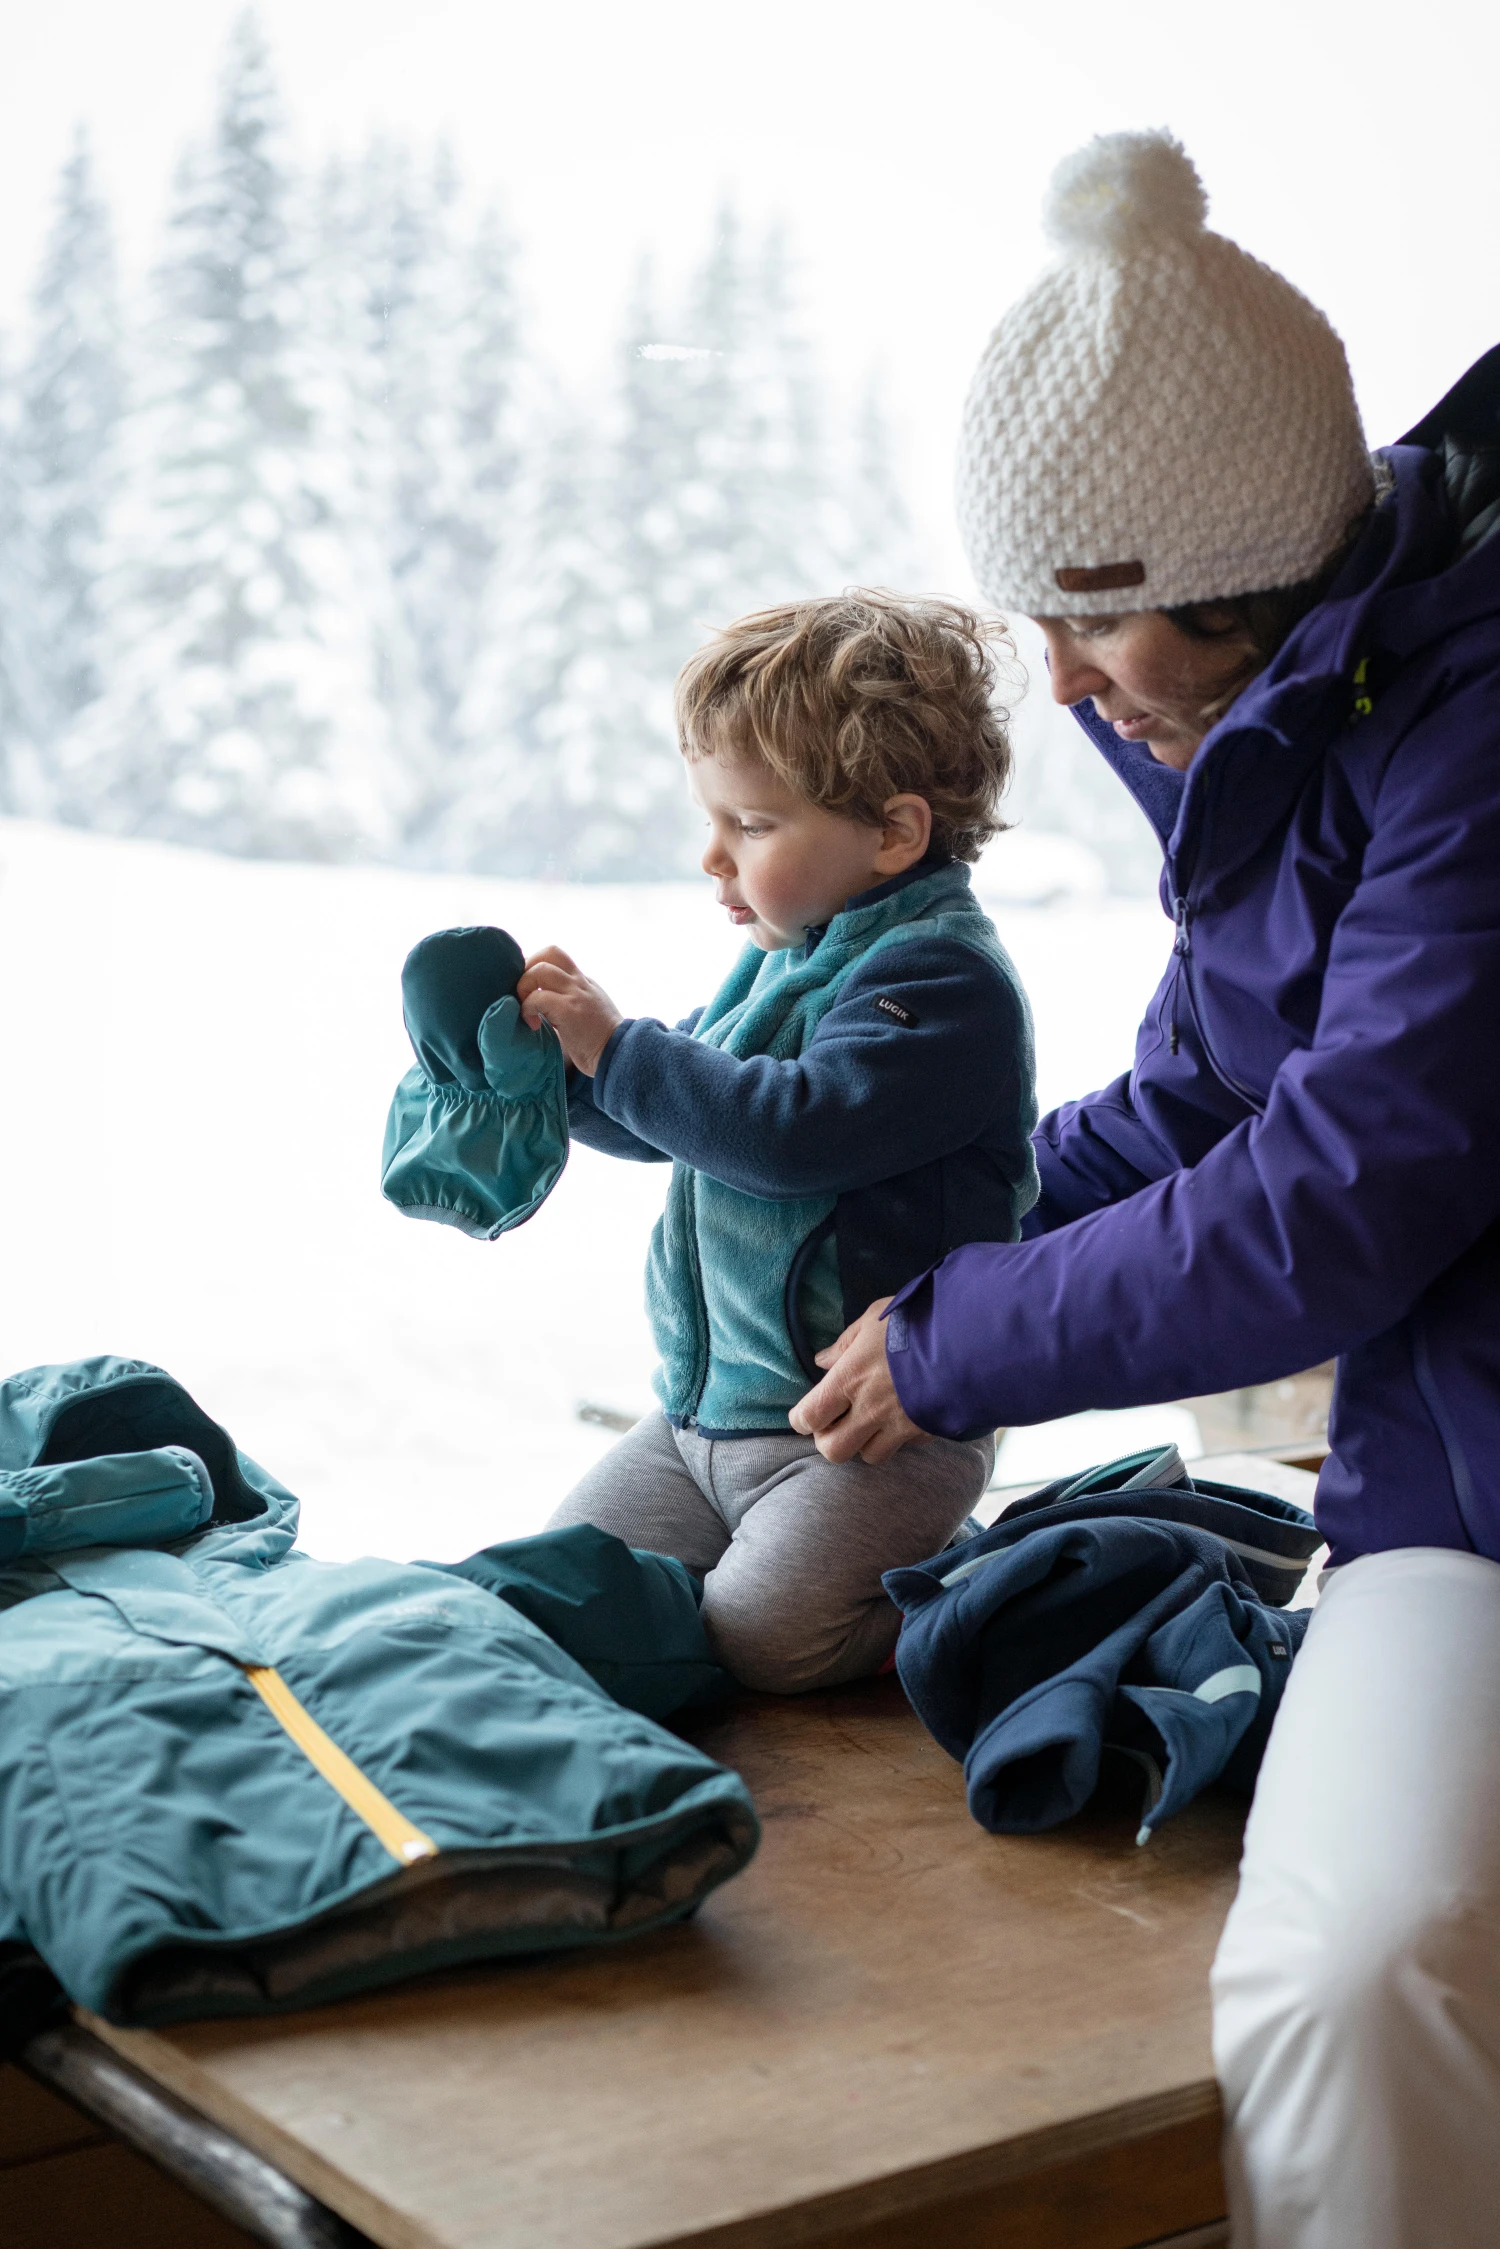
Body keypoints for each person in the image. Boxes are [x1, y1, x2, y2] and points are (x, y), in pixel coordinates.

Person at [790, 131, 1500, 2249]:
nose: (1062, 678)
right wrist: (919, 1239)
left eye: (1087, 616)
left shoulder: (1470, 733)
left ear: (1242, 574)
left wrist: (964, 1339)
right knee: (1353, 1967)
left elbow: (1338, 1193)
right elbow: (1206, 1085)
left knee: (1365, 1966)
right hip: (1460, 1465)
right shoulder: (1302, 713)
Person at [517, 592, 1037, 1693]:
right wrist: (559, 1078)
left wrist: (619, 1047)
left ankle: (975, 1585)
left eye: (751, 825)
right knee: (559, 1588)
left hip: (864, 1437)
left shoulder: (942, 982)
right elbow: (687, 1119)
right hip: (700, 1423)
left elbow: (787, 1132)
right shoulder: (782, 955)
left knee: (762, 1639)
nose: (713, 856)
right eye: (713, 819)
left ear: (894, 833)